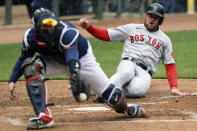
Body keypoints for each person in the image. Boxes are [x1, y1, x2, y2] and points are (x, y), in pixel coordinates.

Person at [8, 8, 145, 130]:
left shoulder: (66, 32)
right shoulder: (30, 38)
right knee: (31, 67)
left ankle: (127, 108)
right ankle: (44, 116)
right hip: (55, 62)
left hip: (82, 59)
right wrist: (12, 80)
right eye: (46, 26)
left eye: (52, 24)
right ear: (37, 28)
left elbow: (72, 57)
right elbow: (23, 58)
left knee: (111, 97)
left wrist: (75, 74)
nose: (51, 28)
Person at [79, 3, 189, 98]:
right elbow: (106, 35)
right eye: (150, 16)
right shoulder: (131, 28)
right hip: (129, 62)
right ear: (146, 16)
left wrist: (174, 87)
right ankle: (104, 93)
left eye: (155, 17)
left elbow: (170, 65)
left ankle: (102, 89)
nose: (152, 19)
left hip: (145, 73)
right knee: (126, 72)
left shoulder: (165, 39)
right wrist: (89, 27)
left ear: (160, 20)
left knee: (137, 90)